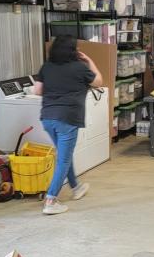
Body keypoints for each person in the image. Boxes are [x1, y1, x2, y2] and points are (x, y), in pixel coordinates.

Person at [34, 35, 103, 215]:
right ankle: (50, 199)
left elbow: (37, 91)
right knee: (63, 159)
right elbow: (98, 82)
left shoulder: (46, 67)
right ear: (74, 51)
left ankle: (76, 187)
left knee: (65, 155)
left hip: (47, 118)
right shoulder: (79, 68)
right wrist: (90, 60)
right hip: (67, 118)